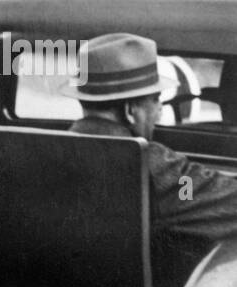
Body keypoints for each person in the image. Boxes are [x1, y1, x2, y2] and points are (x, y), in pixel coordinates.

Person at [64, 32, 237, 241]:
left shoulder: (45, 151)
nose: (160, 111)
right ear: (130, 110)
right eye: (156, 100)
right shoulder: (152, 167)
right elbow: (218, 199)